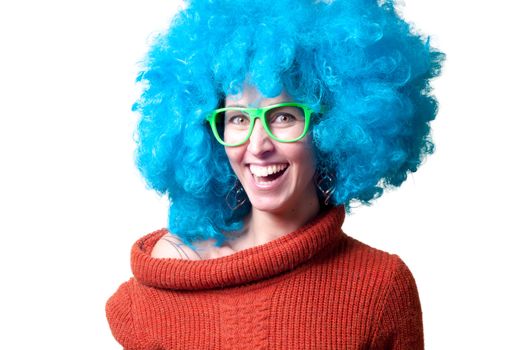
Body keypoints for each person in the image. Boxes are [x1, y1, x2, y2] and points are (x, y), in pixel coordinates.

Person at [106, 0, 444, 348]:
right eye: (237, 118)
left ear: (329, 129)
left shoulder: (379, 289)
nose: (258, 145)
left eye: (283, 116)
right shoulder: (173, 271)